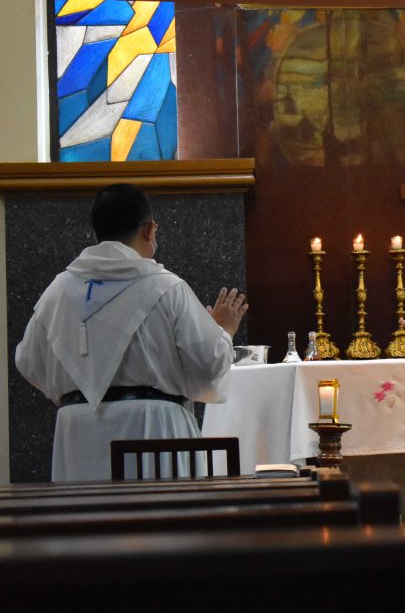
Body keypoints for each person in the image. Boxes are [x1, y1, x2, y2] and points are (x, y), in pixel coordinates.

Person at [15, 183, 249, 481]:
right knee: (161, 524)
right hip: (153, 429)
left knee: (87, 524)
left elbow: (28, 362)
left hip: (78, 431)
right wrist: (222, 329)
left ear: (96, 233)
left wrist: (80, 387)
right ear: (149, 230)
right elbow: (208, 365)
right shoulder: (166, 287)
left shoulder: (57, 291)